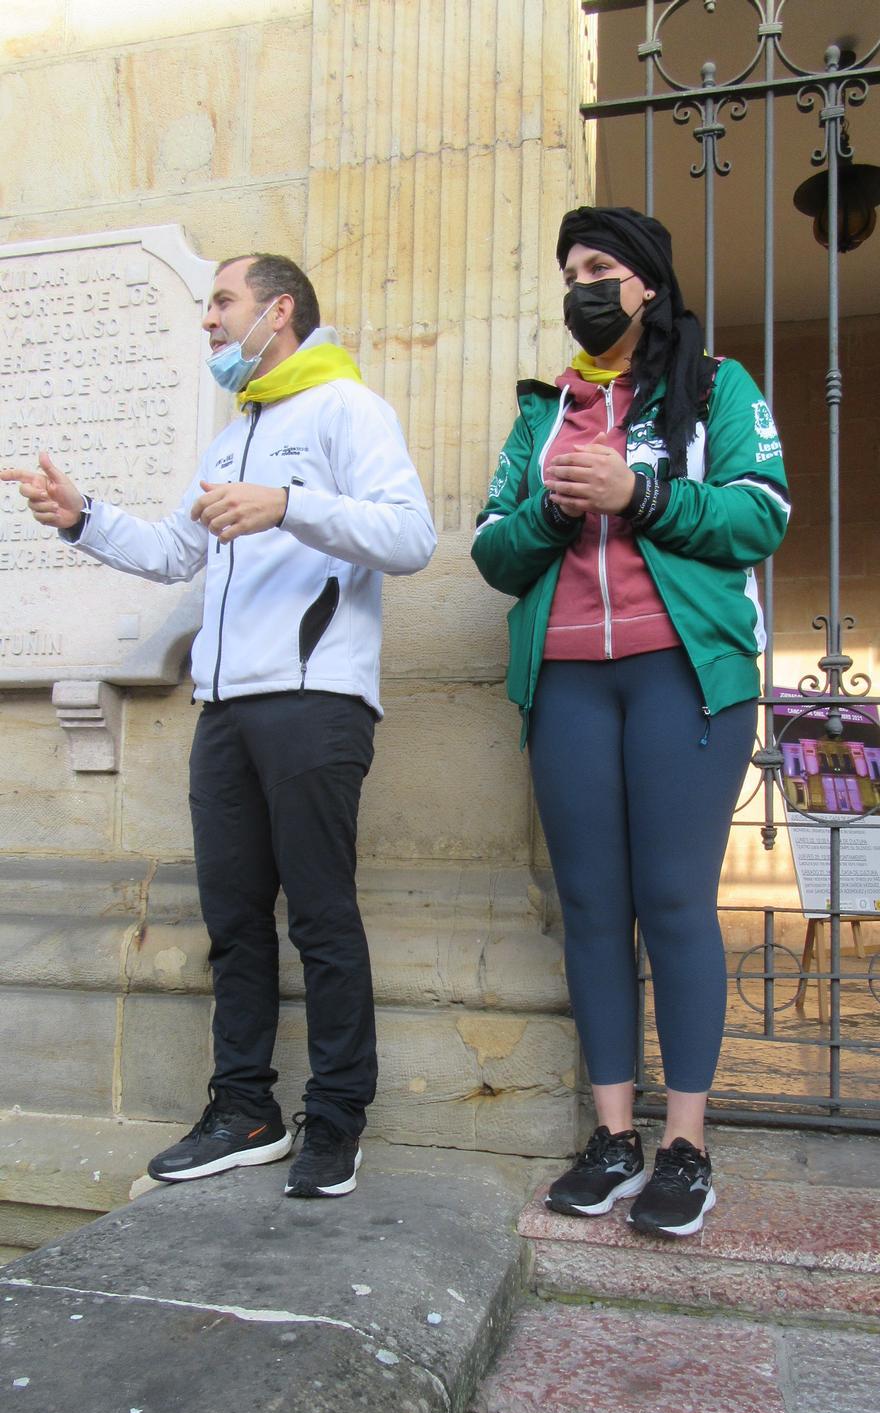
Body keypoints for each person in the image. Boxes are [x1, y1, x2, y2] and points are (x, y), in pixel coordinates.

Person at [2, 253, 436, 1198]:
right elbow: (174, 552)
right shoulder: (235, 431)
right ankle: (244, 1108)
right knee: (235, 922)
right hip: (225, 709)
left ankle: (336, 1121)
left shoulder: (346, 409)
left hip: (315, 700)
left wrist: (292, 505)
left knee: (321, 917)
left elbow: (411, 537)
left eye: (221, 302)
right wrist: (83, 519)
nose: (208, 321)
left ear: (277, 311)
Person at [471, 206, 789, 1238]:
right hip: (565, 678)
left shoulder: (714, 389)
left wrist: (637, 491)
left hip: (681, 674)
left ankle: (684, 1144)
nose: (582, 282)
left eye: (600, 265)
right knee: (594, 906)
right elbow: (492, 550)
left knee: (674, 899)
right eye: (570, 268)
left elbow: (760, 511)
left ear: (645, 283)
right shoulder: (539, 414)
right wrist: (557, 511)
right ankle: (612, 1136)